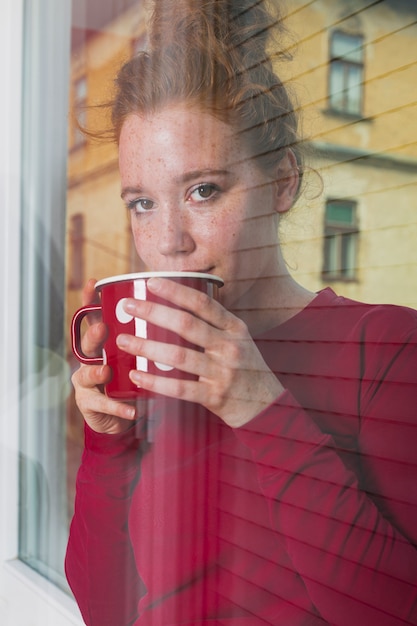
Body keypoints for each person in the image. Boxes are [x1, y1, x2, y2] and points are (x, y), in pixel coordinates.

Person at [65, 1, 417, 624]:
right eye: (142, 202)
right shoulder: (155, 375)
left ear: (283, 181)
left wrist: (258, 404)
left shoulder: (386, 346)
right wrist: (106, 444)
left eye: (203, 190)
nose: (169, 239)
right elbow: (104, 608)